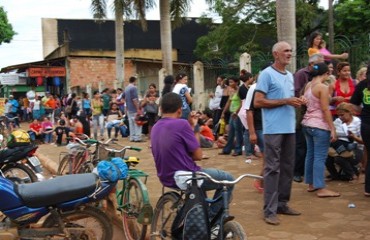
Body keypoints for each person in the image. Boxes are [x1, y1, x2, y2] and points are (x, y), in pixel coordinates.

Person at [151, 92, 234, 221]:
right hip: (186, 177)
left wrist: (192, 126)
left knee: (204, 181)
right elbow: (198, 155)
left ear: (161, 109)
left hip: (166, 176)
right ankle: (212, 221)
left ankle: (204, 215)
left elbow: (177, 148)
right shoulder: (181, 124)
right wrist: (194, 128)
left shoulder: (155, 127)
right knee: (228, 180)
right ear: (179, 111)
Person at [254, 41, 303, 225]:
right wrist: (285, 101)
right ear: (276, 54)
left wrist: (298, 100)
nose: (289, 54)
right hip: (273, 129)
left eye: (291, 51)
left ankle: (282, 204)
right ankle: (269, 210)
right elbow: (258, 102)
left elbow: (288, 99)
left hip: (289, 128)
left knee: (288, 167)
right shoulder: (266, 74)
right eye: (286, 51)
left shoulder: (290, 75)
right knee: (272, 169)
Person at [301, 62, 339, 198]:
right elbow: (325, 109)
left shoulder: (308, 85)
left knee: (310, 154)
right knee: (319, 157)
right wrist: (332, 128)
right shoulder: (323, 87)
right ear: (326, 74)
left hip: (307, 123)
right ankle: (320, 188)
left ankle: (311, 183)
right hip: (319, 125)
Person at [293, 53, 324, 183]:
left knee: (309, 149)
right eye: (320, 63)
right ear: (311, 64)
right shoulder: (301, 74)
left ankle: (308, 174)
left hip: (313, 116)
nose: (323, 66)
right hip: (302, 113)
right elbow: (296, 92)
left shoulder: (320, 79)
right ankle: (297, 172)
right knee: (301, 146)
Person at [326, 102, 363, 181]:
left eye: (342, 115)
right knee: (327, 157)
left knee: (339, 158)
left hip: (355, 148)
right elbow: (331, 132)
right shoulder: (337, 121)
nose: (340, 117)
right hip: (339, 145)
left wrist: (354, 137)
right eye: (338, 115)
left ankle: (352, 174)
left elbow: (362, 141)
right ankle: (335, 175)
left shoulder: (357, 122)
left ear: (349, 113)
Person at [350, 62, 370, 197]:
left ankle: (368, 189)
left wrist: (364, 112)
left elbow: (353, 105)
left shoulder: (362, 85)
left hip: (366, 125)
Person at [219, 76, 243, 156]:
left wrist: (236, 112)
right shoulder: (231, 91)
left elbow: (242, 103)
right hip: (232, 113)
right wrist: (223, 112)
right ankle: (227, 149)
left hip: (237, 114)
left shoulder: (240, 90)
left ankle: (238, 150)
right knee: (231, 132)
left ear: (236, 82)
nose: (230, 84)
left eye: (232, 82)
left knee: (237, 132)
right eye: (229, 82)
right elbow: (228, 102)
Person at [123, 76, 143, 142]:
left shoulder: (126, 88)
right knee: (137, 122)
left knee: (131, 123)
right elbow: (134, 99)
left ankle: (132, 137)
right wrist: (137, 108)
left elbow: (124, 98)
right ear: (134, 81)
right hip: (134, 108)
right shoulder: (133, 88)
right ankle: (137, 137)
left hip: (129, 107)